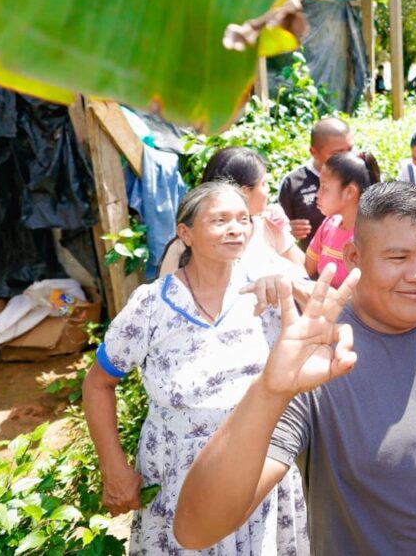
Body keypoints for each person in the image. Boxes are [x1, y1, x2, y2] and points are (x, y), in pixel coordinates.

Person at [174, 183, 416, 555]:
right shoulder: (316, 359)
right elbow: (196, 528)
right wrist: (270, 390)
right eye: (397, 258)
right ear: (353, 256)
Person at [84, 183, 294, 555]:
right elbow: (99, 383)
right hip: (176, 477)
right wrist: (114, 467)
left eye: (243, 219)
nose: (235, 229)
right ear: (186, 233)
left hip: (256, 473)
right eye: (219, 220)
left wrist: (291, 286)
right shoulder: (152, 304)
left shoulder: (265, 294)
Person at [160, 146, 306, 280]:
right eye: (263, 184)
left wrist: (286, 233)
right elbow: (164, 299)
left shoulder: (269, 226)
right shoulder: (182, 246)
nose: (267, 191)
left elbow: (303, 278)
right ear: (243, 192)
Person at [305, 150, 381, 285]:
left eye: (325, 187)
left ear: (350, 192)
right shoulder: (329, 224)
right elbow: (305, 269)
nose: (318, 194)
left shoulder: (372, 236)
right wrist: (281, 237)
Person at [277, 117, 353, 251]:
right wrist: (287, 231)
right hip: (313, 268)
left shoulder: (362, 174)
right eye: (337, 153)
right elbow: (275, 230)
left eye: (350, 150)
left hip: (357, 268)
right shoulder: (293, 183)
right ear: (314, 152)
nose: (346, 157)